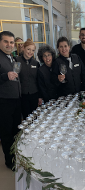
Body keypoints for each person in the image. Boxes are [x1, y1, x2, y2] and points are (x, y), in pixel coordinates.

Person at [0, 31, 21, 171]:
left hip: (15, 99)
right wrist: (5, 76)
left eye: (11, 42)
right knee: (7, 132)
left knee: (15, 131)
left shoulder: (11, 57)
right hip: (5, 101)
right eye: (6, 42)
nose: (9, 44)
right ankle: (9, 161)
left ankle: (14, 156)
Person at [16, 39, 41, 119]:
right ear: (23, 48)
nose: (30, 52)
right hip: (22, 95)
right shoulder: (17, 61)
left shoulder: (36, 63)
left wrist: (40, 96)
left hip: (34, 94)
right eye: (28, 49)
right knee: (26, 117)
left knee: (35, 117)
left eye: (33, 50)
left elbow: (38, 81)